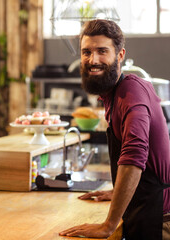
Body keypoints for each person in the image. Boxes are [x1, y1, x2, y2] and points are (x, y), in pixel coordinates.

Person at [59, 19, 170, 239]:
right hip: (145, 211)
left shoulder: (131, 91)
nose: (93, 60)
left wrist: (108, 225)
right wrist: (117, 192)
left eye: (102, 51)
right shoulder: (113, 95)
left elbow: (135, 154)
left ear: (120, 55)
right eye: (86, 52)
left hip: (160, 220)